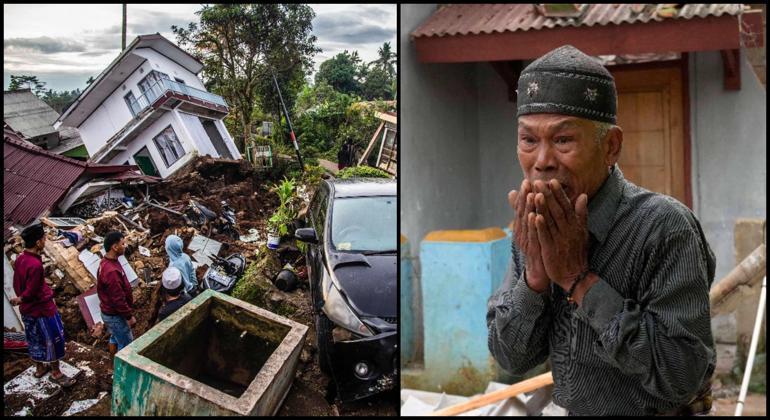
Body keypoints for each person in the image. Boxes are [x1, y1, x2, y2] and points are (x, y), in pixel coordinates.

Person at [487, 45, 716, 416]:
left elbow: (682, 375)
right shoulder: (535, 224)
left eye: (563, 140)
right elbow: (511, 357)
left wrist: (579, 280)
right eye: (529, 140)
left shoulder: (663, 226)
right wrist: (535, 278)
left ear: (610, 147)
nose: (542, 162)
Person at [10, 223, 77, 387]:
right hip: (42, 309)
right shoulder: (35, 265)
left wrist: (20, 298)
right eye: (44, 238)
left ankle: (39, 368)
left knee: (34, 339)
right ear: (38, 242)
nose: (46, 241)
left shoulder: (21, 259)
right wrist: (23, 298)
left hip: (28, 311)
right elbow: (32, 290)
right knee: (54, 339)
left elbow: (17, 283)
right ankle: (56, 372)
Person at [97, 231, 135, 357]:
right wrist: (129, 317)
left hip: (110, 313)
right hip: (115, 316)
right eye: (122, 243)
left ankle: (112, 360)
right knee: (127, 346)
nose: (125, 246)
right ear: (115, 247)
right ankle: (122, 372)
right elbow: (118, 299)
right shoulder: (111, 271)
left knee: (115, 337)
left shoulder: (107, 262)